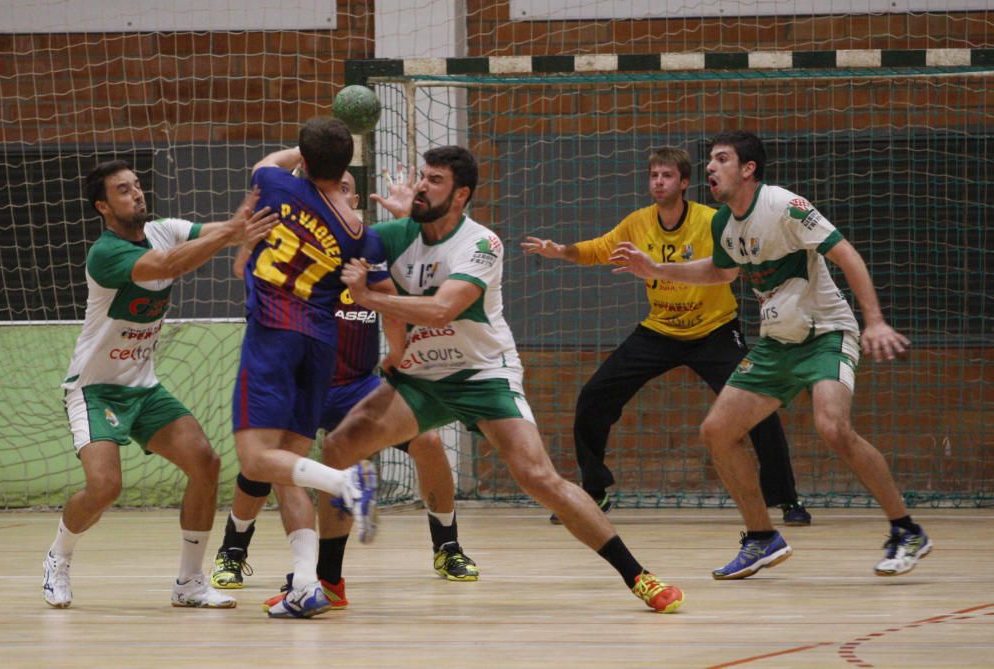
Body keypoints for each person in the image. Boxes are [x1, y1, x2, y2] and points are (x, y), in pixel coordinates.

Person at [319, 145, 684, 613]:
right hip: (422, 376)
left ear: (460, 194)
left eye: (434, 180)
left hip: (481, 373)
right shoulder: (393, 235)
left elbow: (441, 309)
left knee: (537, 476)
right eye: (421, 177)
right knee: (339, 447)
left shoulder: (481, 242)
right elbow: (342, 237)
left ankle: (639, 576)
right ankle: (328, 584)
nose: (422, 186)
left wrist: (370, 299)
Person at [610, 131, 930, 579]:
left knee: (832, 427)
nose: (710, 167)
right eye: (710, 160)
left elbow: (847, 255)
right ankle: (762, 537)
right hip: (778, 342)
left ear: (748, 169)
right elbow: (721, 271)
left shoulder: (785, 206)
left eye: (721, 159)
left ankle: (906, 529)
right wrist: (656, 268)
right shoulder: (724, 223)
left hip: (825, 334)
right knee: (718, 431)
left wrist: (874, 320)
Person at [210, 172, 479, 607]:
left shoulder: (371, 248)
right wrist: (244, 240)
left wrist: (410, 215)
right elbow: (242, 266)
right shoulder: (288, 246)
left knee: (428, 441)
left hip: (356, 386)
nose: (331, 195)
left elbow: (423, 264)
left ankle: (446, 544)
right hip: (300, 383)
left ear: (353, 198)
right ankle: (234, 550)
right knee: (269, 464)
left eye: (342, 188)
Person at [521, 146, 811, 526]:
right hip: (659, 331)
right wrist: (562, 251)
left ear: (684, 182)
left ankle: (785, 498)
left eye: (667, 176)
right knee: (593, 397)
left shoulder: (712, 220)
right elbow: (600, 248)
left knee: (758, 408)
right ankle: (594, 490)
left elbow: (732, 264)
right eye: (654, 176)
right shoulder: (639, 222)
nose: (659, 182)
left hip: (715, 330)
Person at [42, 159, 278, 609]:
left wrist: (253, 212)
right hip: (95, 389)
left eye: (137, 186)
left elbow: (218, 230)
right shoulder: (106, 253)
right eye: (123, 190)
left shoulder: (164, 227)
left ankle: (189, 583)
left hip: (143, 387)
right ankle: (58, 558)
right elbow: (167, 264)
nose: (137, 194)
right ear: (103, 206)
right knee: (105, 486)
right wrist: (231, 235)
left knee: (206, 464)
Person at [231, 118, 388, 619]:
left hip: (275, 333)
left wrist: (300, 155)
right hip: (320, 343)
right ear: (344, 168)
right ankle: (306, 583)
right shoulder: (355, 229)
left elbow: (271, 163)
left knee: (256, 461)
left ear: (303, 155)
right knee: (288, 472)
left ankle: (347, 483)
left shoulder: (275, 183)